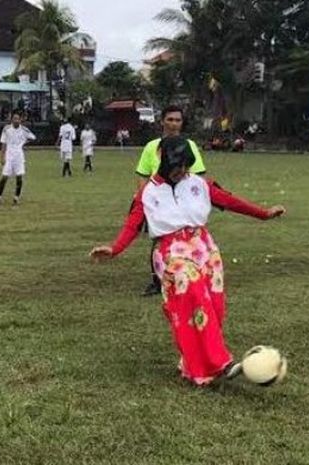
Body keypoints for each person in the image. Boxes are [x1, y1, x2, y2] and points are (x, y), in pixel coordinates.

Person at [90, 136, 285, 386]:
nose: (181, 170)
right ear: (163, 158)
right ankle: (221, 363)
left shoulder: (200, 184)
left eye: (185, 165)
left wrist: (264, 213)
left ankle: (196, 364)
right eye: (177, 164)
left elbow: (231, 201)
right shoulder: (147, 193)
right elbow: (132, 225)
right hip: (171, 251)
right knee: (191, 289)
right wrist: (114, 249)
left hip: (204, 248)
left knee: (213, 306)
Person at [136, 105, 206, 297]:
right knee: (159, 240)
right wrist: (144, 200)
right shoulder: (151, 147)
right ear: (162, 121)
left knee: (188, 239)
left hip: (181, 202)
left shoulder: (189, 145)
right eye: (170, 119)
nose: (174, 124)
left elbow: (199, 176)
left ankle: (191, 274)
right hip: (159, 201)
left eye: (178, 120)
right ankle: (158, 280)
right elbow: (142, 174)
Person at [0, 112, 36, 206]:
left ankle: (16, 197)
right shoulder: (7, 129)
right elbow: (3, 144)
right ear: (11, 120)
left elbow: (33, 137)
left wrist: (24, 142)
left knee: (19, 176)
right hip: (9, 156)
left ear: (20, 120)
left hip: (19, 156)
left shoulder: (24, 130)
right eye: (14, 119)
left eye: (18, 119)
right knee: (5, 176)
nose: (16, 120)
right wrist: (2, 157)